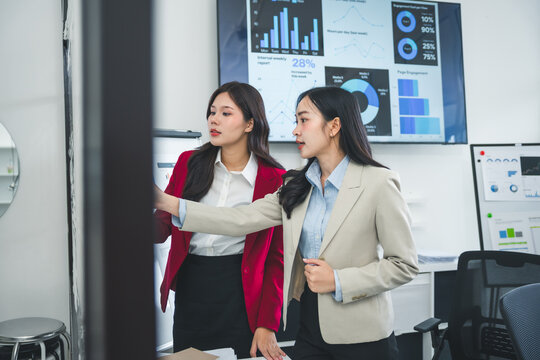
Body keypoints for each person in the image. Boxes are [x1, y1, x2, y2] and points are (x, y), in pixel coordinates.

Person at [155, 86, 419, 359]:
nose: (295, 130)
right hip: (309, 330)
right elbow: (239, 219)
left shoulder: (379, 183)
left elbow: (405, 265)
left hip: (363, 337)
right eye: (296, 121)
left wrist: (339, 280)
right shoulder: (296, 185)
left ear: (334, 126)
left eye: (304, 120)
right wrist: (165, 202)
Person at [153, 81, 287, 360]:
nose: (214, 119)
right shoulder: (189, 162)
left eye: (226, 113)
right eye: (212, 112)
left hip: (242, 293)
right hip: (193, 288)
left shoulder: (274, 178)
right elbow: (162, 225)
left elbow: (277, 259)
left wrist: (267, 324)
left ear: (250, 123)